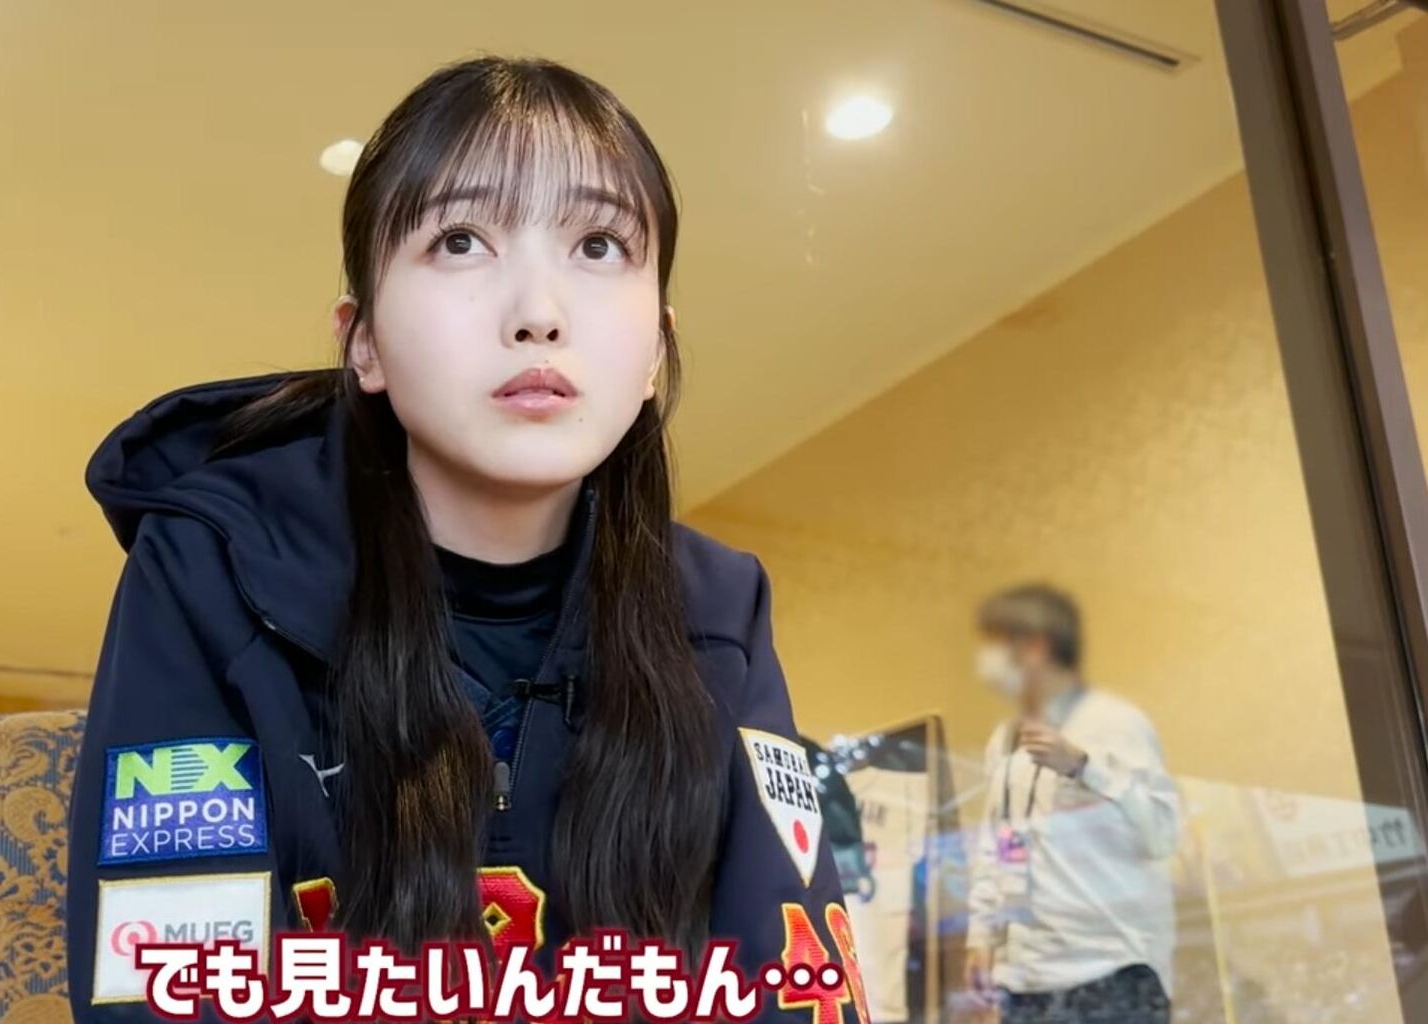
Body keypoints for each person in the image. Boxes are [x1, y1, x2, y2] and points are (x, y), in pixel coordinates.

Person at [66, 57, 867, 1024]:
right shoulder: (213, 569)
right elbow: (172, 986)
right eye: (459, 240)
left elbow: (796, 983)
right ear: (362, 341)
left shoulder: (719, 608)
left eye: (600, 244)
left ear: (657, 348)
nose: (538, 315)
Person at [964, 583, 1178, 1024]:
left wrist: (1084, 767)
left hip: (1109, 972)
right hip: (1026, 980)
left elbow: (1161, 834)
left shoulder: (1113, 723)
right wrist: (982, 937)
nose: (985, 659)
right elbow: (997, 845)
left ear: (1036, 647)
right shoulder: (1005, 739)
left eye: (995, 643)